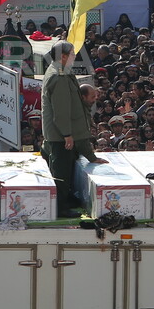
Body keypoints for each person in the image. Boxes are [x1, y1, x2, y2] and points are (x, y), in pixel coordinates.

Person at [41, 41, 90, 218]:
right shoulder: (59, 76)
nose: (74, 57)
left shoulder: (58, 70)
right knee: (61, 173)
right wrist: (67, 134)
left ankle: (65, 200)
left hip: (58, 133)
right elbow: (61, 110)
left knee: (64, 169)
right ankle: (60, 208)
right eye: (72, 54)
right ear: (63, 56)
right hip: (59, 135)